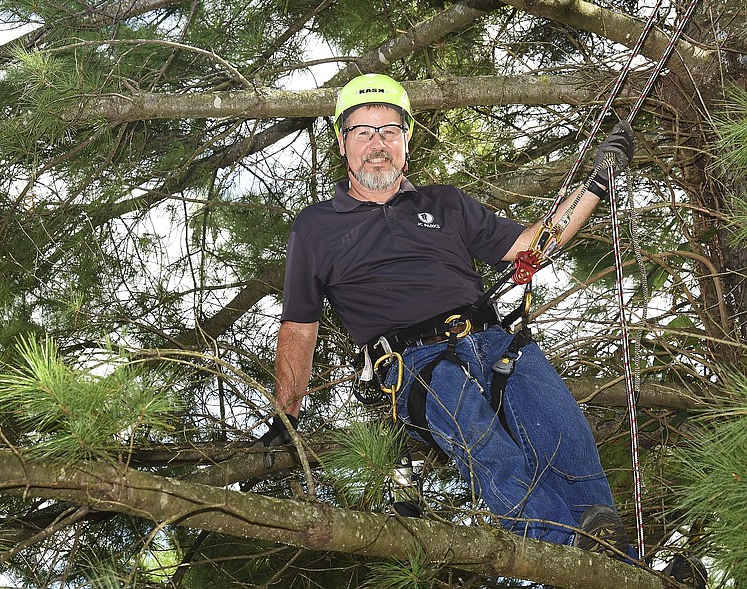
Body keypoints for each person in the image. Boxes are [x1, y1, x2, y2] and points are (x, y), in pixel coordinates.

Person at [254, 73, 704, 585]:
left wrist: (595, 184)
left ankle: (617, 560)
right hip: (411, 361)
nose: (376, 144)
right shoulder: (316, 227)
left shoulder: (445, 204)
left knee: (562, 427)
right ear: (342, 143)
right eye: (362, 132)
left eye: (389, 131)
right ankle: (573, 553)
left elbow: (531, 247)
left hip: (492, 340)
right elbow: (298, 328)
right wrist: (285, 417)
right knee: (484, 444)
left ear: (406, 142)